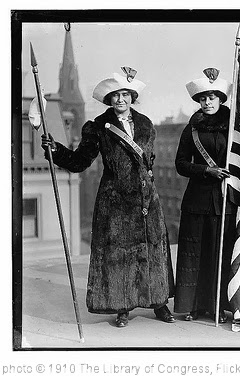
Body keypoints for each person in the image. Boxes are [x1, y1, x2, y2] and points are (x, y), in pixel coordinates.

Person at [40, 68, 175, 327]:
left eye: (125, 94)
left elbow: (148, 161)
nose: (120, 100)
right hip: (115, 200)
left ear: (132, 96)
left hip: (147, 199)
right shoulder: (98, 127)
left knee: (153, 249)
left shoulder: (146, 123)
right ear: (108, 99)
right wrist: (55, 150)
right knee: (118, 254)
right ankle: (122, 306)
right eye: (115, 95)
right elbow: (80, 162)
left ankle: (159, 302)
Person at [174, 68, 236, 323]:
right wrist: (205, 170)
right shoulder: (192, 129)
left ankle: (219, 306)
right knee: (195, 252)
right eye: (203, 98)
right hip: (197, 200)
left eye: (212, 97)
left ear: (221, 99)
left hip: (225, 199)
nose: (207, 102)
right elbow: (180, 164)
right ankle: (193, 306)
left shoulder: (234, 128)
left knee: (220, 253)